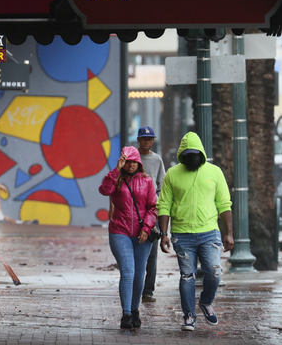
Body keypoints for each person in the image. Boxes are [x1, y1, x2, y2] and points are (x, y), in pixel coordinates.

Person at [157, 132, 235, 331]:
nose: (192, 158)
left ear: (201, 153)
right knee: (187, 276)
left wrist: (229, 233)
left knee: (214, 272)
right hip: (182, 235)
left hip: (210, 232)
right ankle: (189, 316)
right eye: (188, 154)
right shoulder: (172, 174)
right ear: (182, 155)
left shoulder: (215, 172)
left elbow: (224, 203)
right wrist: (164, 233)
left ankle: (206, 302)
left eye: (195, 154)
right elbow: (164, 204)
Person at [99, 146, 158, 329]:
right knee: (128, 272)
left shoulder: (147, 181)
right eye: (128, 161)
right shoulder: (116, 179)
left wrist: (147, 228)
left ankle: (134, 310)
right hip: (120, 231)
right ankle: (126, 314)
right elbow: (104, 190)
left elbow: (153, 207)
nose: (131, 165)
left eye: (134, 161)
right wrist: (116, 170)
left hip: (142, 234)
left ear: (139, 162)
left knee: (139, 274)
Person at [135, 126, 166, 303]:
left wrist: (157, 202)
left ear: (153, 140)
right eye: (144, 138)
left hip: (151, 211)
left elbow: (162, 185)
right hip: (133, 211)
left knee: (151, 254)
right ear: (138, 140)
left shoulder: (157, 160)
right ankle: (134, 287)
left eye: (150, 139)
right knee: (133, 251)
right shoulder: (132, 158)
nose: (147, 142)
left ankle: (148, 290)